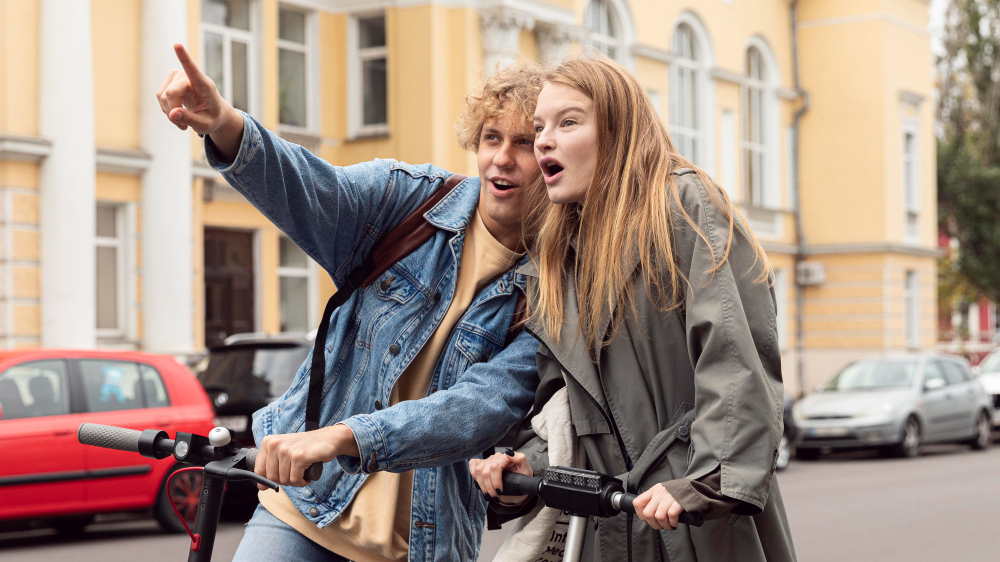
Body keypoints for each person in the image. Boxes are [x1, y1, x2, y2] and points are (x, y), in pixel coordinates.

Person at [156, 44, 546, 562]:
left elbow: (476, 409)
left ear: (551, 158)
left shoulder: (553, 288)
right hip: (304, 510)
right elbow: (314, 190)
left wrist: (342, 438)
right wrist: (224, 124)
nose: (502, 157)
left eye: (524, 143)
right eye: (491, 138)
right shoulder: (410, 204)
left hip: (424, 545)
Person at [470, 56, 797, 561]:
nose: (543, 141)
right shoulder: (559, 258)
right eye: (540, 127)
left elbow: (736, 360)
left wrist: (705, 482)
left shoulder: (684, 204)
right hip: (610, 529)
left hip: (695, 522)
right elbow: (566, 412)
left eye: (568, 122)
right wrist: (527, 467)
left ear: (619, 130)